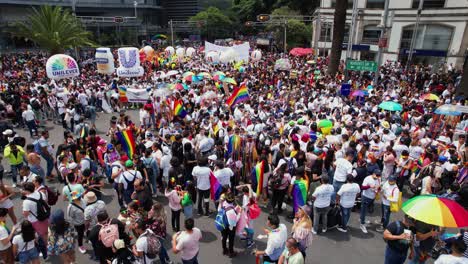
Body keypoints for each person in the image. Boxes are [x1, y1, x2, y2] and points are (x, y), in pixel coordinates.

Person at [360, 170, 382, 234]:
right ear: (373, 174)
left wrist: (378, 189)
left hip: (372, 197)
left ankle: (362, 219)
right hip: (366, 196)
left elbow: (379, 187)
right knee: (363, 210)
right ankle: (362, 224)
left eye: (379, 175)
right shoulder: (367, 178)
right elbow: (362, 187)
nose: (378, 177)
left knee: (366, 210)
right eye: (377, 175)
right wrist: (369, 186)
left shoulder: (379, 179)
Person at [66, 189, 86, 254]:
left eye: (79, 196)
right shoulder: (71, 207)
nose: (79, 197)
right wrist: (74, 224)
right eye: (78, 197)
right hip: (78, 223)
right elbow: (70, 217)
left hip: (85, 220)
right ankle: (80, 245)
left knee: (84, 231)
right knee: (80, 234)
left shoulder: (83, 201)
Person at [220, 192, 239, 258]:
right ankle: (231, 252)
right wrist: (239, 214)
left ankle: (224, 249)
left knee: (224, 237)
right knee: (231, 239)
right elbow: (233, 222)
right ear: (233, 200)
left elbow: (219, 210)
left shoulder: (223, 203)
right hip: (230, 227)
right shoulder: (231, 211)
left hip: (223, 224)